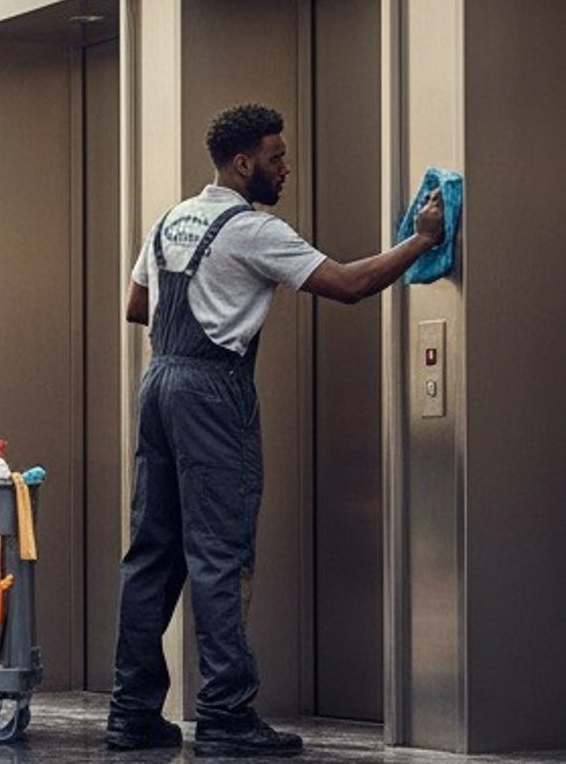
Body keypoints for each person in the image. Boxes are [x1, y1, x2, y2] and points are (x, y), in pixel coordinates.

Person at [107, 103, 445, 757]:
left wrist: (210, 302)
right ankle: (226, 717)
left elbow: (136, 305)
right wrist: (422, 240)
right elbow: (347, 284)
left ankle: (132, 714)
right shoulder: (255, 231)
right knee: (220, 557)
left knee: (150, 556)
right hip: (212, 393)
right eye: (276, 157)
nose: (285, 168)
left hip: (159, 385)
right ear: (243, 164)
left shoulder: (170, 220)